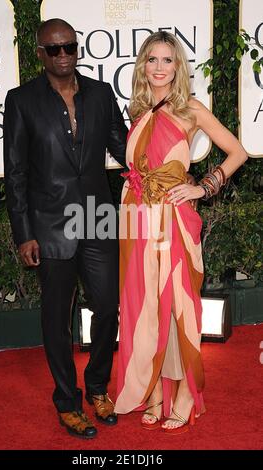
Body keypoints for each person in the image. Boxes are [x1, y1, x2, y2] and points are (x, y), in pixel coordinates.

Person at [114, 31, 247, 434]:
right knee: (143, 304)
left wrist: (203, 186)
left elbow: (237, 152)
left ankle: (185, 394)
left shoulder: (191, 109)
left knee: (177, 303)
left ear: (178, 66)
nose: (158, 67)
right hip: (136, 218)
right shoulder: (137, 109)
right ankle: (153, 391)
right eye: (151, 59)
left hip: (174, 219)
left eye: (167, 60)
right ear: (143, 65)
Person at [3, 18, 128, 439]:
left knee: (108, 306)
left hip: (98, 215)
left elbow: (124, 147)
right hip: (50, 223)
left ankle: (97, 388)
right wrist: (24, 233)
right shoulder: (21, 101)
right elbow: (15, 173)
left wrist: (164, 147)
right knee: (57, 319)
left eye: (70, 47)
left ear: (77, 49)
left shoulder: (101, 94)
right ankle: (67, 400)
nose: (63, 55)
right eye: (54, 49)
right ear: (39, 53)